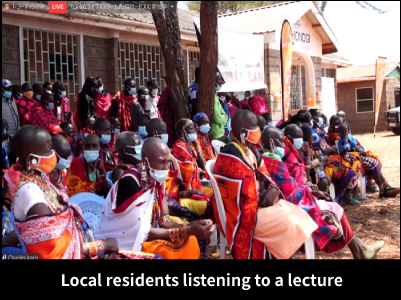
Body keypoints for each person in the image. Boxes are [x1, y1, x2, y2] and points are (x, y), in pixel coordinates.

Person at [261, 126, 385, 259]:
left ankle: (361, 250)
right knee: (333, 208)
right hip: (288, 204)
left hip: (292, 199)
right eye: (280, 141)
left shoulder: (279, 157)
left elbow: (294, 182)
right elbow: (289, 188)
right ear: (271, 141)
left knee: (333, 204)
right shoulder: (271, 160)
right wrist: (311, 191)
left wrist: (310, 189)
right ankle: (360, 252)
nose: (283, 144)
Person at [213, 110, 319, 259]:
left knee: (298, 214)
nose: (257, 131)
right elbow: (242, 196)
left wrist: (273, 191)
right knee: (289, 222)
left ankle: (288, 253)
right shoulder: (230, 156)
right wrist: (264, 197)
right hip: (241, 215)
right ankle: (287, 255)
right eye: (254, 127)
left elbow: (267, 179)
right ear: (243, 131)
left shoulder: (250, 150)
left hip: (257, 206)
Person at [2, 125, 118, 259]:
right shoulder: (30, 192)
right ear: (31, 160)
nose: (53, 155)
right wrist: (98, 246)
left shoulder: (41, 180)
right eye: (48, 151)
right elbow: (53, 250)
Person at [95, 137, 214, 259]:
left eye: (168, 162)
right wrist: (187, 231)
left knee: (191, 241)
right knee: (170, 251)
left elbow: (164, 221)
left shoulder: (157, 181)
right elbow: (145, 233)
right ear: (145, 161)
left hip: (146, 237)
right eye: (162, 162)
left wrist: (191, 227)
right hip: (122, 242)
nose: (166, 167)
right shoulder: (131, 182)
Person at [337, 123, 400, 198]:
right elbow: (341, 151)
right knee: (373, 163)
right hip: (350, 159)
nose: (344, 133)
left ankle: (384, 188)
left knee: (374, 160)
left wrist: (350, 140)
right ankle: (383, 189)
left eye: (345, 131)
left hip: (356, 155)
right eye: (342, 132)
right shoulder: (339, 141)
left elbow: (355, 145)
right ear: (339, 133)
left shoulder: (351, 137)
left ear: (348, 130)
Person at [172, 119, 206, 191]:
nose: (194, 132)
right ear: (182, 133)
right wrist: (197, 169)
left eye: (194, 129)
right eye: (191, 129)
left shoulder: (189, 146)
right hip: (186, 190)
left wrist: (197, 146)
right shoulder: (179, 147)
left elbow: (203, 166)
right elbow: (188, 171)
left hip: (195, 185)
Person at [211, 73, 228, 140]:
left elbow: (223, 114)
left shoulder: (215, 96)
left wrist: (224, 116)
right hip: (216, 133)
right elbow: (217, 118)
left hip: (219, 131)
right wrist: (224, 117)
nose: (222, 82)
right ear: (214, 82)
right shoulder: (213, 98)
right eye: (220, 79)